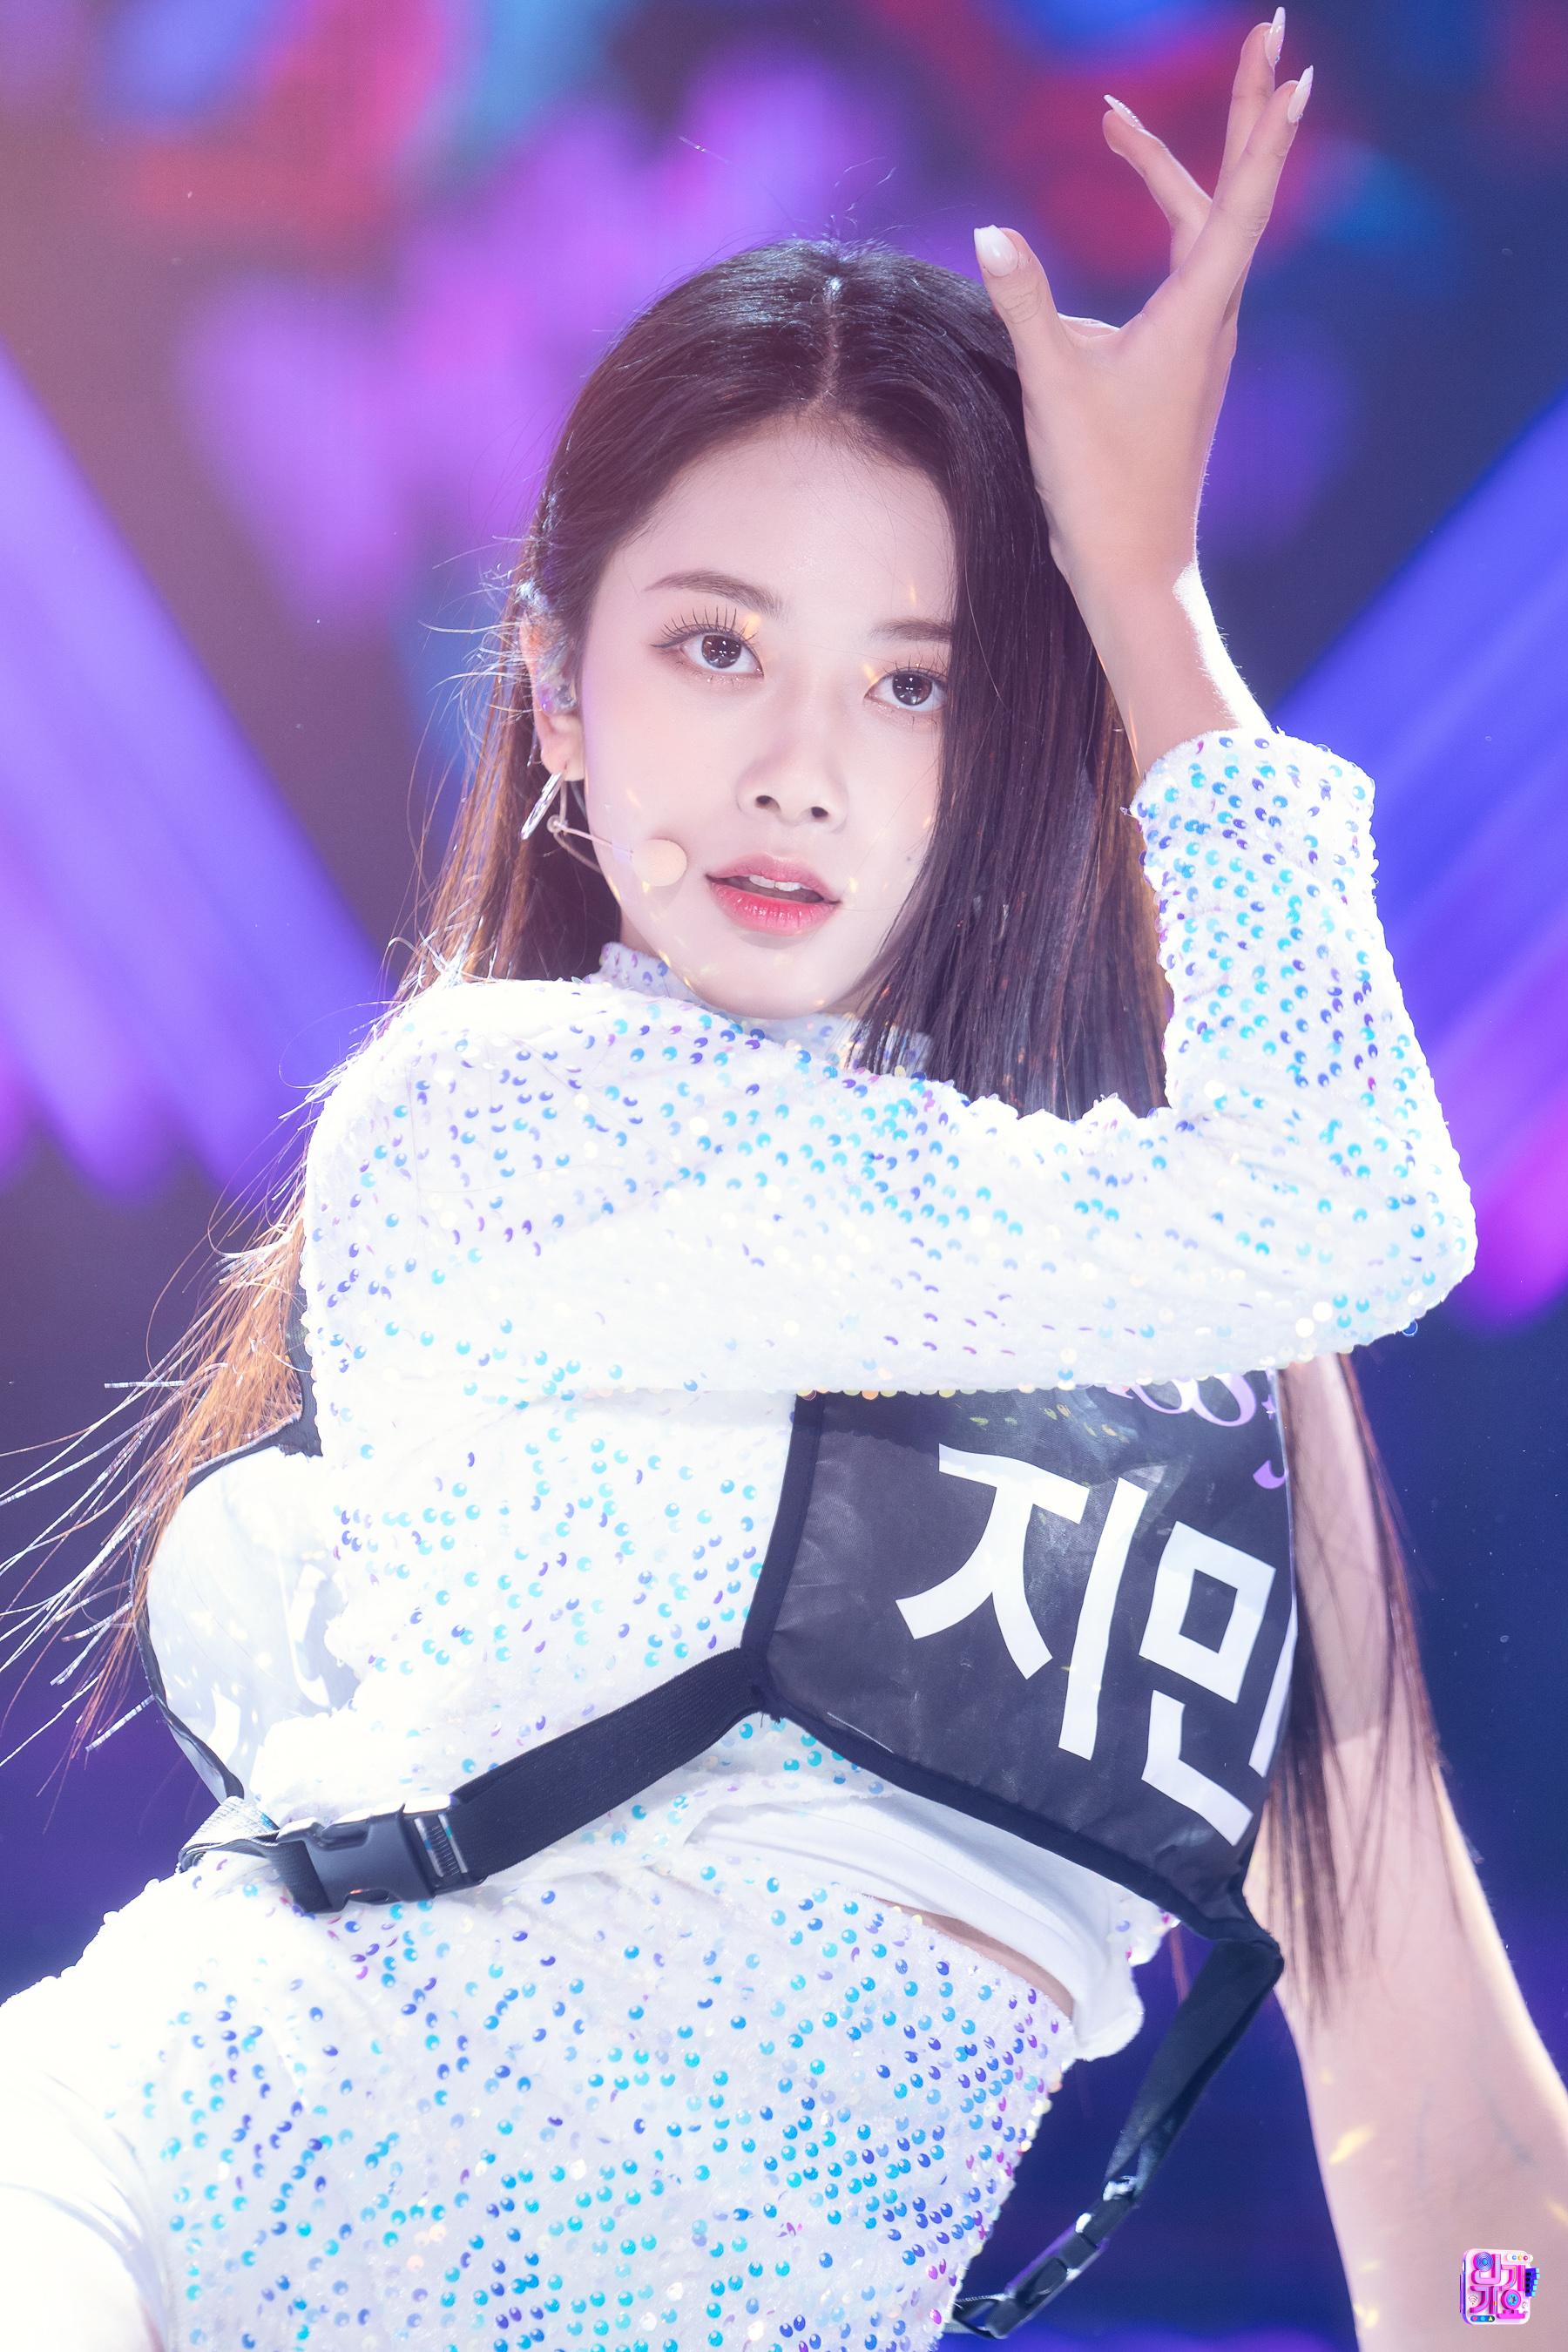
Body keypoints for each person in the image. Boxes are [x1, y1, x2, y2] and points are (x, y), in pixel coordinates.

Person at [1, 19, 1563, 2350]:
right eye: (717, 645)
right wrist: (1148, 598)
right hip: (142, 2219)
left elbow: (1448, 2142)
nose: (800, 768)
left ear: (1000, 734)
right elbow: (1358, 1197)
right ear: (558, 687)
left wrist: (1511, 2308)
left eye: (916, 681)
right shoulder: (504, 1114)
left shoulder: (1217, 1360)